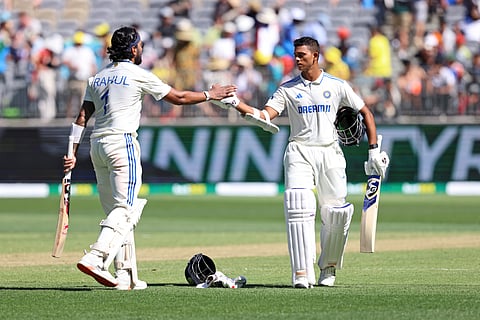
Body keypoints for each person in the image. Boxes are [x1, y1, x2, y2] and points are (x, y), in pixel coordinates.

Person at [63, 26, 236, 290]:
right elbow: (177, 97)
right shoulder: (137, 74)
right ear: (133, 49)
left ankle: (126, 275)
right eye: (140, 45)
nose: (142, 49)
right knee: (126, 209)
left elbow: (82, 118)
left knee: (117, 212)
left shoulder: (97, 78)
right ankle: (96, 257)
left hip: (96, 145)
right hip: (122, 143)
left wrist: (71, 153)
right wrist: (209, 95)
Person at [214, 36, 389, 288]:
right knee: (298, 205)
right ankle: (301, 273)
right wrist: (237, 104)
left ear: (315, 56)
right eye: (295, 55)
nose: (296, 59)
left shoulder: (337, 85)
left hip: (330, 152)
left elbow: (366, 113)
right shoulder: (287, 89)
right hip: (299, 151)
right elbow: (265, 116)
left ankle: (328, 268)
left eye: (302, 56)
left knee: (337, 214)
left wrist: (373, 152)